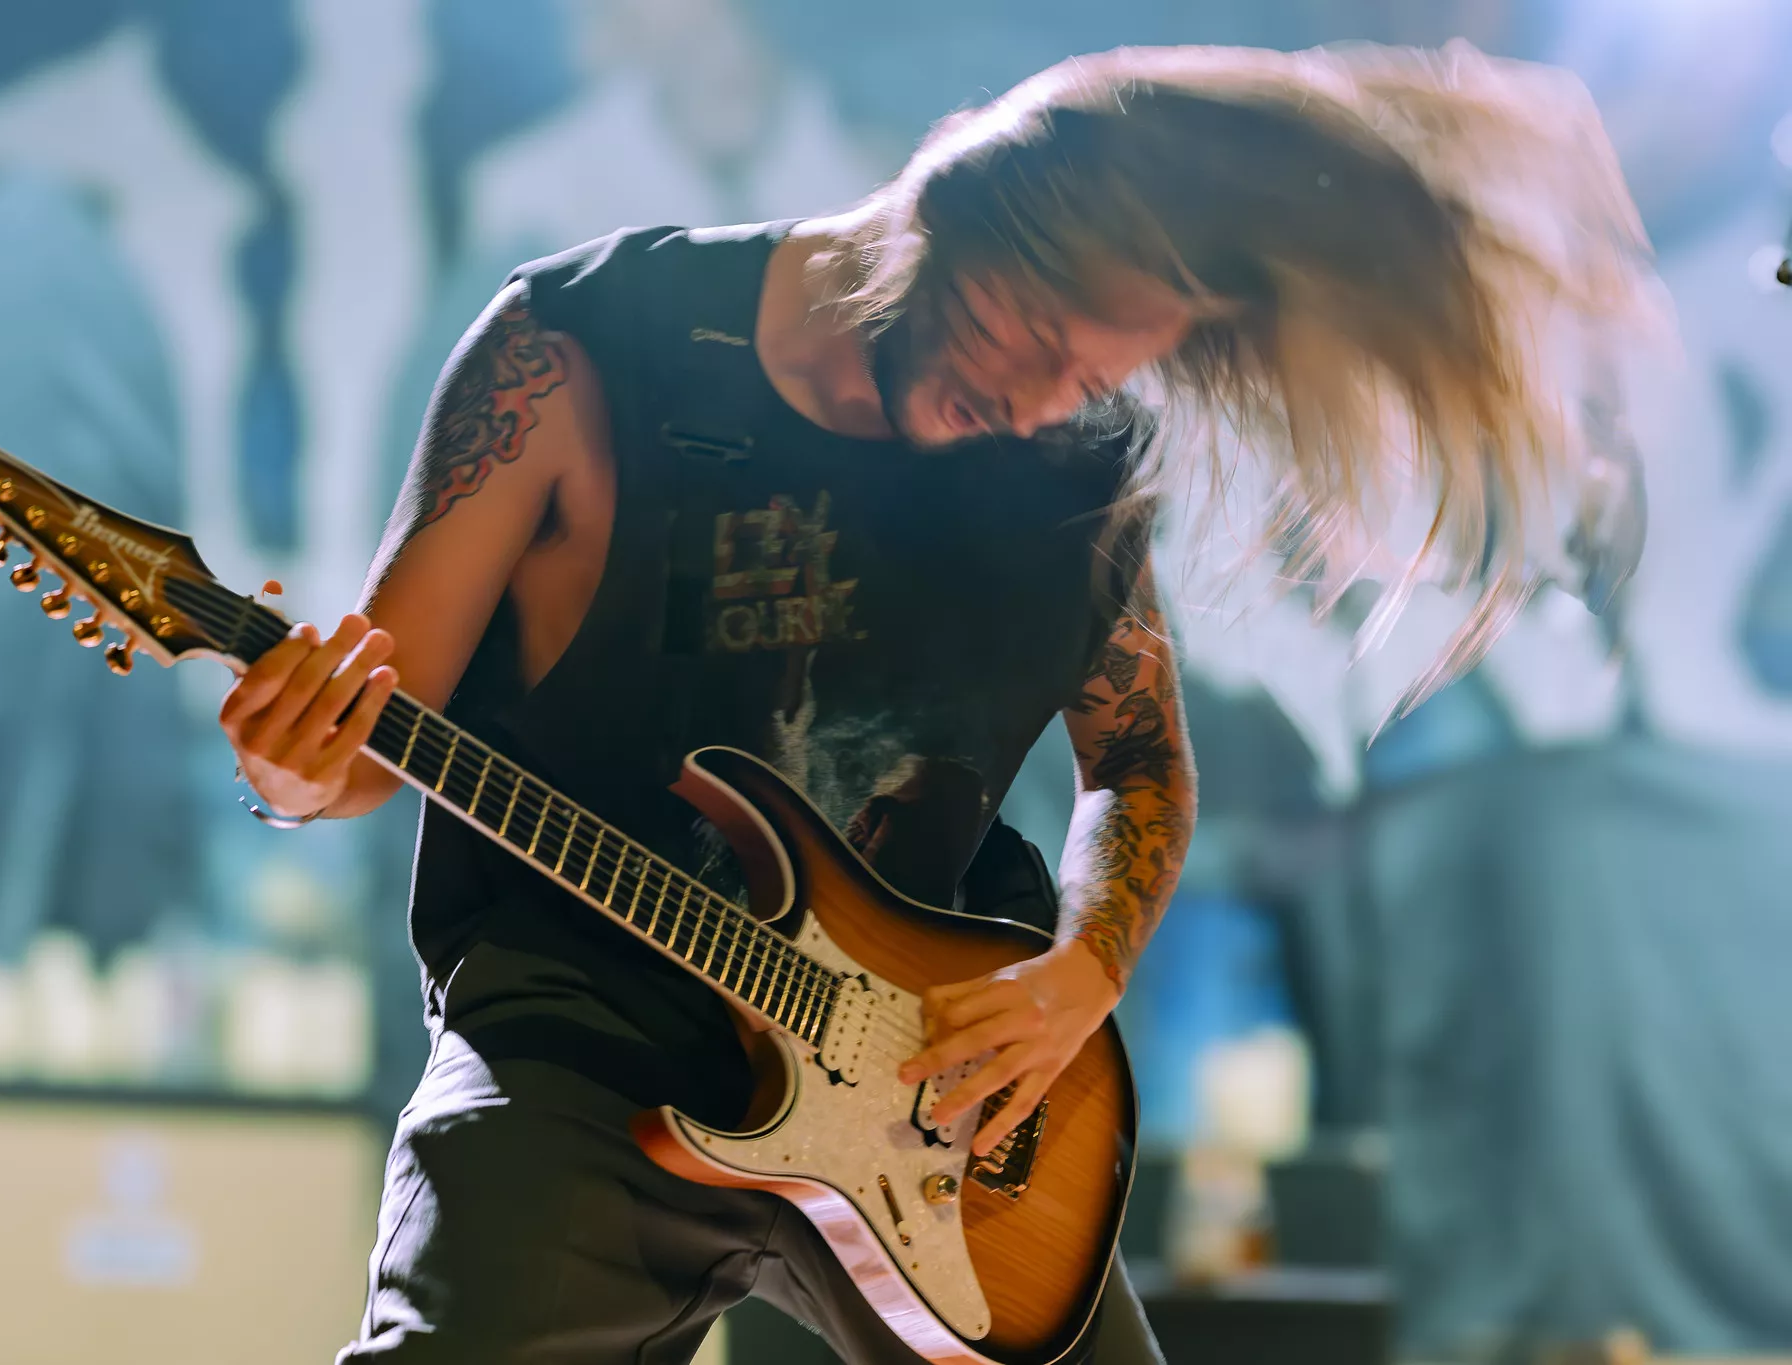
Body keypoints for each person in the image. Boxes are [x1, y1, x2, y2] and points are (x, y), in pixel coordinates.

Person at [219, 44, 1652, 1364]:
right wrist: (291, 763)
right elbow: (357, 746)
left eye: (1092, 374)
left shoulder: (1070, 461)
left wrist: (1080, 972)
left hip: (924, 1104)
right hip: (580, 1053)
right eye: (1030, 332)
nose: (1037, 402)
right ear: (943, 203)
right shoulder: (581, 349)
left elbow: (1138, 767)